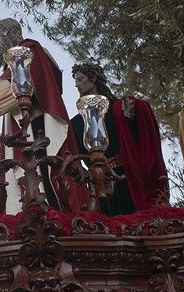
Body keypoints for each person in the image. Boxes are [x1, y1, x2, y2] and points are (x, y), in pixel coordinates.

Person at [0, 18, 86, 213]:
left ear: (6, 33)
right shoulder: (12, 67)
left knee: (47, 180)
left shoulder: (30, 49)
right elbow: (15, 126)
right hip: (29, 133)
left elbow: (23, 75)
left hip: (40, 131)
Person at [71, 63, 169, 216]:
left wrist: (132, 114)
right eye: (75, 81)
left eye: (80, 79)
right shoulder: (77, 122)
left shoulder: (118, 108)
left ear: (94, 78)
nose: (76, 85)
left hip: (126, 176)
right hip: (100, 182)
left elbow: (136, 134)